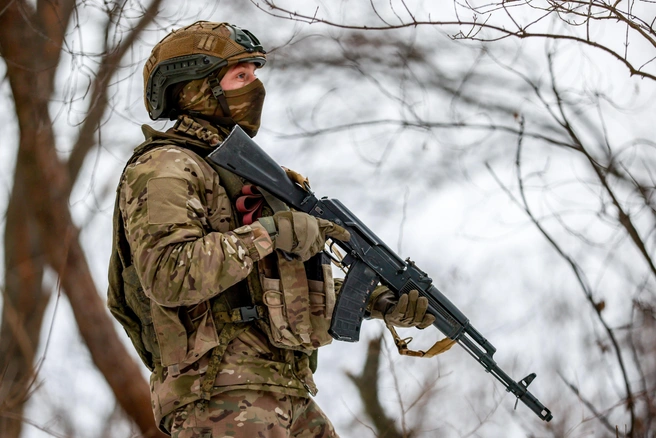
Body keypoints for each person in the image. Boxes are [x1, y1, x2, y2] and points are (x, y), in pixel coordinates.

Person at [107, 21, 435, 438]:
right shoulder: (166, 166)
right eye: (241, 75)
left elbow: (275, 288)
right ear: (197, 86)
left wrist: (377, 300)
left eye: (256, 75)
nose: (256, 87)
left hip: (288, 391)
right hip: (217, 395)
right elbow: (169, 274)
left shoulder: (249, 174)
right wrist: (271, 232)